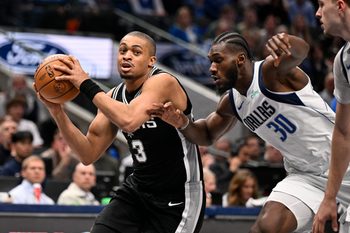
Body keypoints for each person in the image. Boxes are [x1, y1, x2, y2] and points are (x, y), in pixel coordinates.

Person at [150, 31, 350, 232]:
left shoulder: (270, 72)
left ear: (240, 59)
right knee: (266, 227)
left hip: (343, 161)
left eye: (218, 60)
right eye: (211, 61)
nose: (212, 68)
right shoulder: (232, 103)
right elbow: (206, 135)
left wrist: (287, 41)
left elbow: (300, 51)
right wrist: (182, 122)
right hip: (305, 175)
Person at [35, 31, 204, 233]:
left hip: (177, 196)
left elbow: (130, 120)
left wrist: (84, 82)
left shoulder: (163, 82)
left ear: (151, 61)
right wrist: (57, 111)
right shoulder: (113, 96)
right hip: (138, 189)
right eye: (122, 50)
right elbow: (87, 153)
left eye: (136, 51)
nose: (126, 55)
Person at [312, 0, 350, 232]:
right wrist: (329, 197)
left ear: (340, 6)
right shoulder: (343, 61)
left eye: (321, 4)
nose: (317, 13)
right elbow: (344, 132)